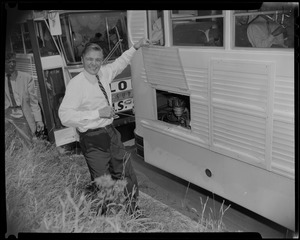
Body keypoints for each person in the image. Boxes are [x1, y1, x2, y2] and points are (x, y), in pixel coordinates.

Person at [58, 37, 150, 214]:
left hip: (111, 133)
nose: (94, 63)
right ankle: (107, 215)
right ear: (82, 59)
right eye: (90, 59)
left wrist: (135, 47)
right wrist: (97, 113)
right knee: (103, 181)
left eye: (98, 60)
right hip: (92, 139)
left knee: (125, 172)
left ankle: (132, 210)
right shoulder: (76, 85)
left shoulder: (104, 73)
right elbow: (65, 116)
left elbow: (120, 62)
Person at [5, 51, 44, 148]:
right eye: (9, 61)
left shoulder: (26, 78)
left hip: (22, 115)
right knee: (10, 146)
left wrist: (38, 120)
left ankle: (29, 162)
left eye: (14, 61)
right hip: (7, 115)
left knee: (28, 144)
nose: (12, 64)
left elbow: (33, 101)